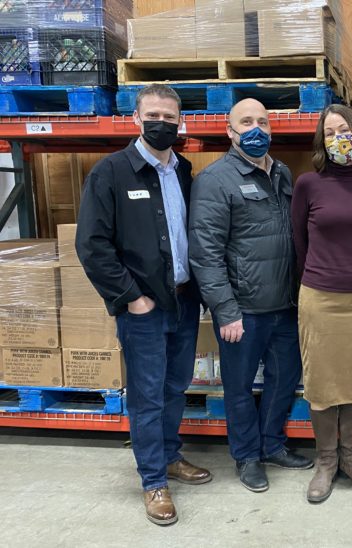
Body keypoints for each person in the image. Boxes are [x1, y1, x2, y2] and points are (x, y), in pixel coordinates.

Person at [76, 84, 210, 526]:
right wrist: (131, 298)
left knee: (174, 388)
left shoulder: (184, 170)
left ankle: (171, 457)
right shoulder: (111, 172)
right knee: (147, 397)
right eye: (153, 115)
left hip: (183, 301)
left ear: (179, 122)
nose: (162, 124)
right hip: (143, 310)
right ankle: (153, 480)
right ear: (136, 118)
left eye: (170, 117)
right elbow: (92, 246)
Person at [188, 98, 312, 494]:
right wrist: (225, 310)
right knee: (239, 387)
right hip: (243, 310)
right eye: (246, 122)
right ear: (230, 131)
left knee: (284, 379)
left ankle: (272, 444)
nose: (256, 128)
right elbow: (205, 253)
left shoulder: (283, 174)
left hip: (285, 306)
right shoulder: (215, 180)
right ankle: (247, 456)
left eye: (262, 121)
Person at [291, 104, 352, 503]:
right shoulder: (308, 185)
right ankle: (326, 461)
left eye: (344, 130)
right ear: (321, 140)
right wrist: (319, 277)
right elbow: (299, 242)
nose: (338, 138)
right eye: (330, 132)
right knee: (320, 384)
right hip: (319, 298)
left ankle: (351, 458)